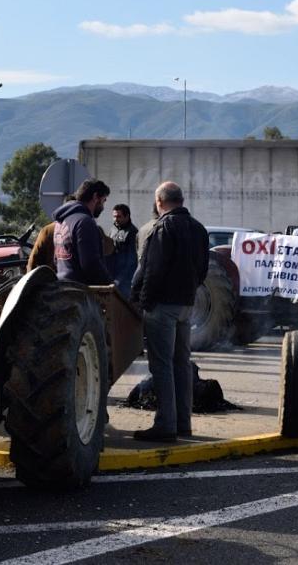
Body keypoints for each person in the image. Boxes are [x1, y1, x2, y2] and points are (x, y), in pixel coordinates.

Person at [130, 182, 209, 442]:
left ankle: (165, 425)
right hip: (187, 305)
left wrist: (142, 301)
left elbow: (151, 269)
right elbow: (203, 269)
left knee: (161, 364)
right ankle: (183, 423)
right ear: (181, 200)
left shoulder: (163, 228)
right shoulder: (198, 229)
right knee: (181, 363)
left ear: (159, 202)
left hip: (162, 306)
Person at [53, 179, 113, 285]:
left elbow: (56, 259)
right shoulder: (85, 222)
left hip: (62, 287)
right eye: (103, 201)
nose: (103, 207)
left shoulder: (60, 222)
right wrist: (109, 284)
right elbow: (91, 265)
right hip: (79, 290)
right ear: (95, 197)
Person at [109, 204, 138, 297]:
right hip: (112, 276)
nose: (115, 219)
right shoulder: (113, 229)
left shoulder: (132, 232)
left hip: (125, 280)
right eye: (114, 216)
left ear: (127, 216)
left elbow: (132, 261)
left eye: (119, 216)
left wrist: (119, 280)